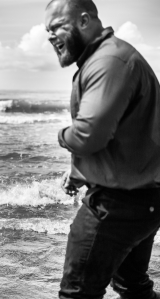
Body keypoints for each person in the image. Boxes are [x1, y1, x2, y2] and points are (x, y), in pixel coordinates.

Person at [45, 0, 160, 298]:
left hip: (118, 205)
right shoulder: (106, 59)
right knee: (131, 284)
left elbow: (88, 135)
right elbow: (121, 136)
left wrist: (61, 135)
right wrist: (80, 173)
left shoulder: (109, 62)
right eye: (48, 30)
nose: (50, 36)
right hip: (143, 197)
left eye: (57, 25)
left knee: (77, 292)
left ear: (84, 20)